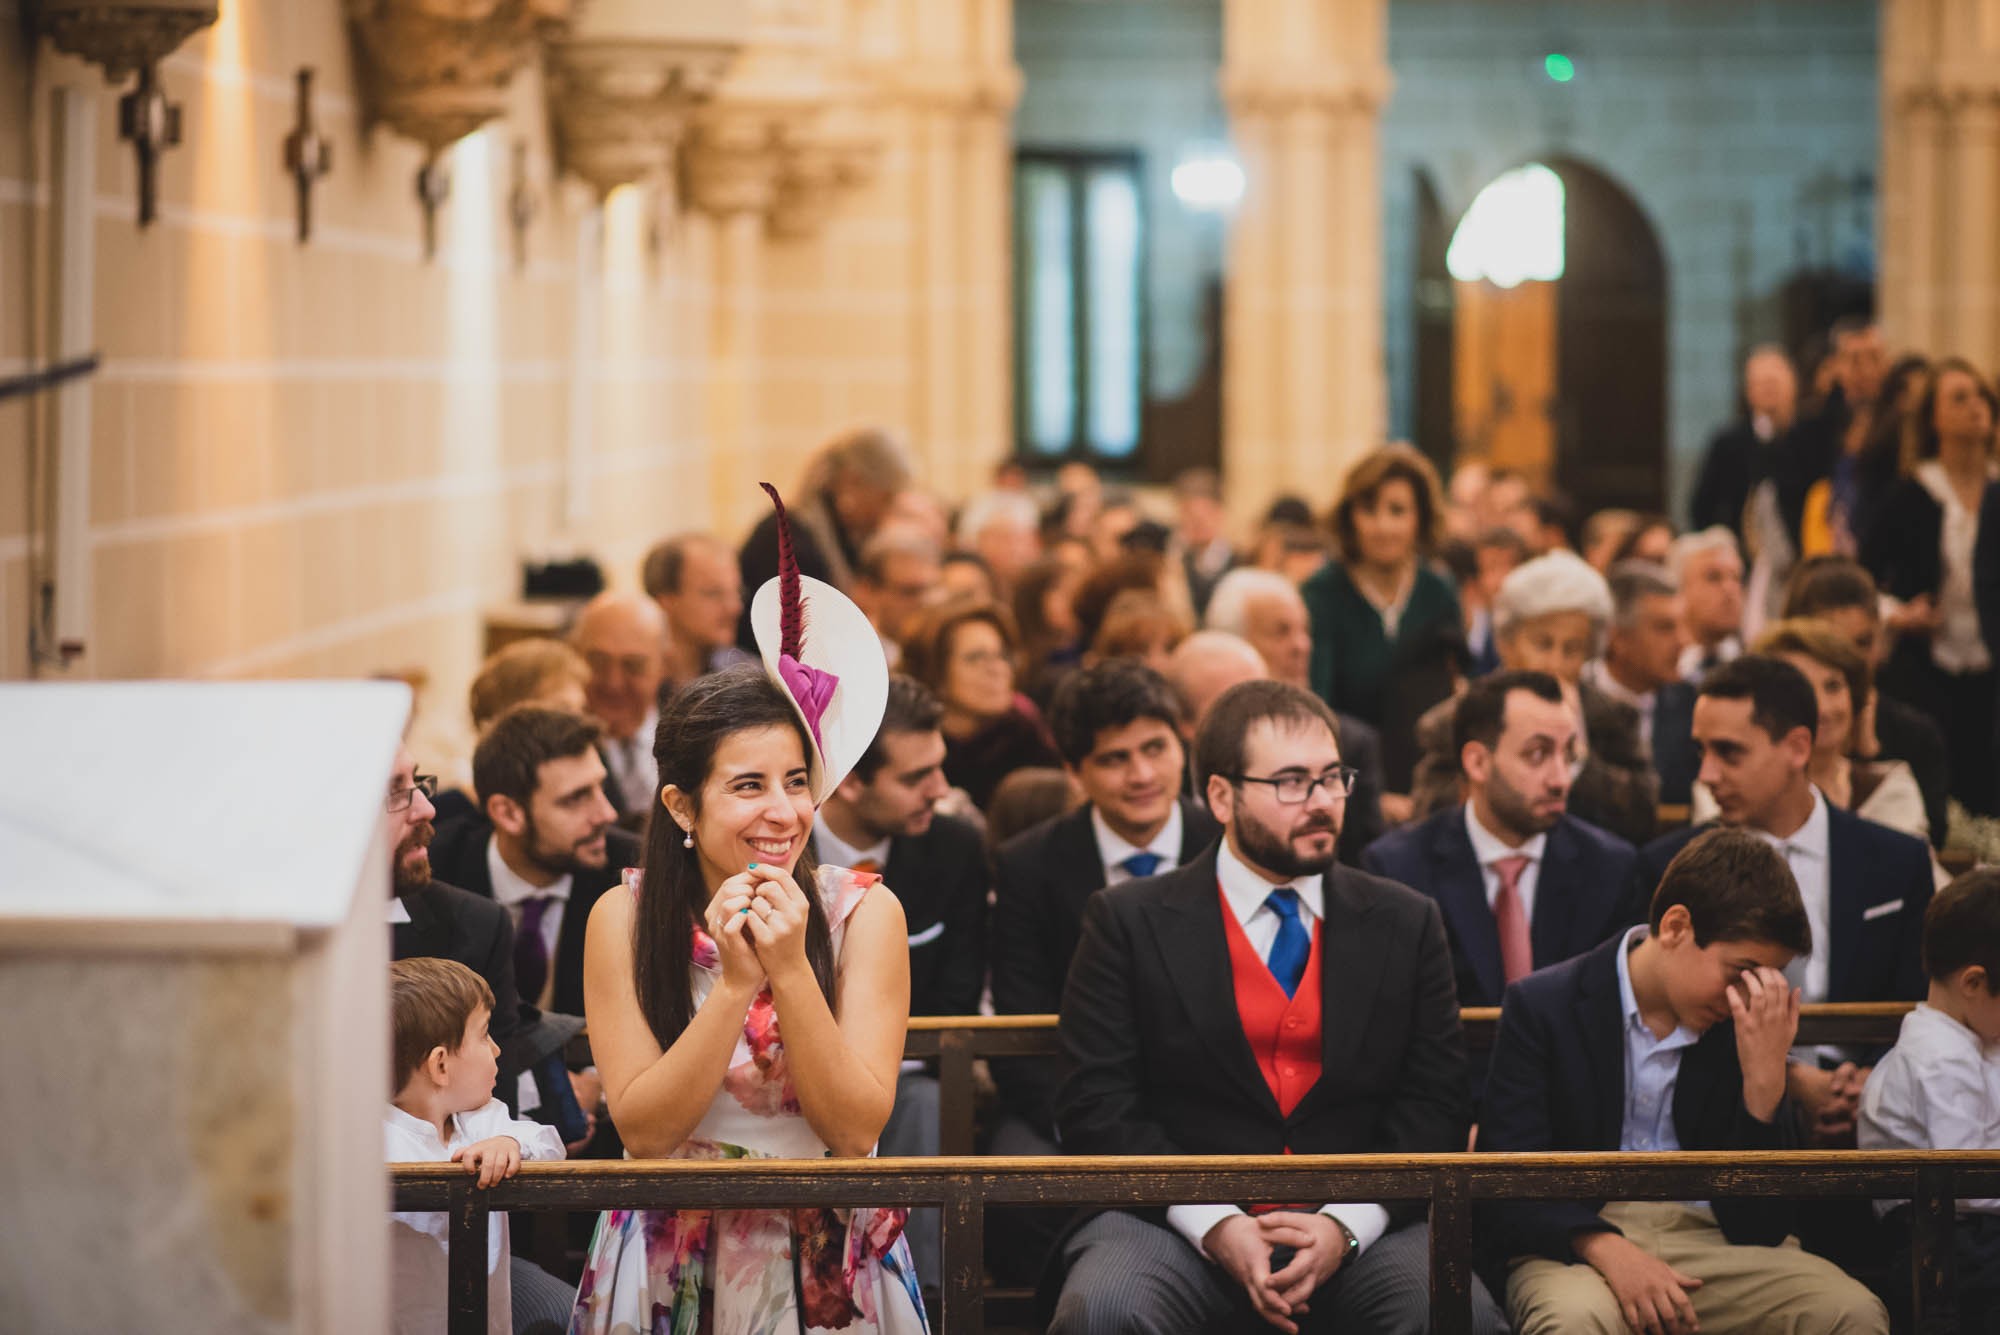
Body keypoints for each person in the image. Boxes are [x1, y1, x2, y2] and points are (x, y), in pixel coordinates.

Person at [1045, 679, 1506, 1335]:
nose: (1321, 803)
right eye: (1291, 782)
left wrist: (1346, 1226)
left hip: (1360, 1219)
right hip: (1172, 1219)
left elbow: (1437, 1103)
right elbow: (1096, 1104)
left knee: (1456, 1313)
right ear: (1222, 796)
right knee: (1104, 1308)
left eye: (1332, 778)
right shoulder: (1128, 919)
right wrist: (1217, 1221)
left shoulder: (1405, 920)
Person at [569, 489, 925, 1332]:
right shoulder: (621, 918)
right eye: (748, 786)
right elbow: (646, 1132)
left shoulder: (866, 914)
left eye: (796, 781)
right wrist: (731, 986)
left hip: (824, 1250)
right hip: (671, 1243)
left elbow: (853, 1126)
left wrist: (793, 968)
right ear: (683, 808)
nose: (783, 811)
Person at [1481, 830, 1889, 1335]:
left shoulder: (1747, 1026)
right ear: (1676, 926)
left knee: (1849, 1311)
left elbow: (1760, 1228)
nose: (1751, 994)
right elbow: (1508, 1184)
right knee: (1574, 1320)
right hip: (1577, 1238)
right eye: (1741, 971)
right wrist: (1606, 1248)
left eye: (1769, 977)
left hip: (1716, 1238)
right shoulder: (1544, 1005)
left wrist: (1765, 1084)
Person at [1637, 656, 1936, 1148]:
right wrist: (1788, 1078)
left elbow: (1922, 1000)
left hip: (1878, 1115)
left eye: (1729, 753)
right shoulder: (1666, 865)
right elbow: (1666, 1010)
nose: (1707, 774)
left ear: (1798, 746)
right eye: (1701, 751)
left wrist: (1870, 1084)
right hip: (1723, 1118)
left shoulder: (1896, 862)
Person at [991, 660, 1223, 1152]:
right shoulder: (1029, 866)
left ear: (1183, 746)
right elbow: (1019, 1035)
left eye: (1155, 749)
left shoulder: (1231, 846)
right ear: (1075, 772)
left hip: (1221, 1106)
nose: (1142, 775)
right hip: (1077, 1103)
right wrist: (1086, 1128)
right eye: (1115, 759)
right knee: (1012, 1172)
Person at [813, 674, 986, 1296]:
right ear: (852, 780)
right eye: (916, 778)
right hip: (778, 1068)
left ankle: (929, 1297)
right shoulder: (783, 843)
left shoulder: (956, 847)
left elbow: (957, 999)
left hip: (906, 1071)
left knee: (924, 1105)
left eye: (939, 767)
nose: (941, 791)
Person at [1362, 671, 1639, 1014]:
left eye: (1568, 755)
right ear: (1477, 762)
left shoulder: (1610, 868)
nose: (1561, 779)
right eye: (1537, 754)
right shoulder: (1399, 868)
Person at [1411, 550, 1659, 846]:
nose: (1555, 663)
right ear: (1507, 644)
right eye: (1543, 644)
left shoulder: (1614, 717)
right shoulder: (1451, 720)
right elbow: (1430, 818)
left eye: (1572, 649)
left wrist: (1577, 758)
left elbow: (1642, 819)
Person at [386, 957, 568, 1335]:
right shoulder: (373, 1137)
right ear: (440, 1066)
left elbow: (550, 1144)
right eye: (485, 1034)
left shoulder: (482, 1119)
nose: (498, 1050)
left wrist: (510, 1141)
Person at [1858, 868, 2000, 1327]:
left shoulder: (1966, 1035)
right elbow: (1969, 1179)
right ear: (1974, 984)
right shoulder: (1941, 1058)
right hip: (1944, 1243)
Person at [427, 708, 635, 1020]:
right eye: (576, 798)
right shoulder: (436, 875)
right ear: (508, 813)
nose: (606, 814)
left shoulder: (633, 873)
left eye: (599, 788)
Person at [1861, 357, 2000, 815]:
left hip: (1993, 668)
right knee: (1937, 787)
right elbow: (1861, 577)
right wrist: (1900, 614)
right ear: (1933, 418)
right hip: (1927, 669)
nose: (1975, 406)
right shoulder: (1911, 493)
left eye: (1980, 395)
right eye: (1959, 398)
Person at [1690, 619, 1936, 853]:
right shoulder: (1721, 786)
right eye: (1804, 687)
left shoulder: (1889, 786)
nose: (1823, 708)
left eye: (1833, 686)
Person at [1301, 443, 1465, 791]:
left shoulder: (1439, 589)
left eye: (1397, 510)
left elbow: (1455, 693)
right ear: (1349, 517)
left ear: (1420, 517)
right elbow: (1320, 710)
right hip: (1346, 780)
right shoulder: (1322, 593)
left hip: (1429, 781)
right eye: (1369, 510)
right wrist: (1368, 792)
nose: (1383, 525)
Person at [1203, 567, 1388, 849]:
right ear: (1233, 642)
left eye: (1305, 631)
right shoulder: (1196, 734)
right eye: (1281, 632)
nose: (1302, 645)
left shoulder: (1348, 742)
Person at [1782, 555, 1952, 845]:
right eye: (1832, 644)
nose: (1852, 661)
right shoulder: (1769, 729)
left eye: (1863, 642)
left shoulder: (1916, 735)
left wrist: (1869, 756)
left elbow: (1931, 841)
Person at [734, 425, 913, 647]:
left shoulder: (839, 536)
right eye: (886, 499)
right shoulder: (788, 542)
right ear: (853, 482)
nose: (888, 513)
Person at [900, 596, 1061, 810]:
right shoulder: (908, 746)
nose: (997, 669)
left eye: (1003, 655)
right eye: (976, 658)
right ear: (934, 670)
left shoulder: (1025, 735)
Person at [1585, 560, 1700, 805]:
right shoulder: (1575, 706)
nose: (1683, 641)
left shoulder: (1695, 708)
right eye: (1665, 628)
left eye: (1683, 625)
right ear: (1618, 639)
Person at [570, 591, 670, 821]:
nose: (613, 682)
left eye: (632, 666)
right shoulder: (556, 743)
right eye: (598, 662)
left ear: (663, 664)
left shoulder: (694, 731)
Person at [1691, 345, 1799, 539]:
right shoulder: (1728, 442)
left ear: (1792, 386)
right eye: (1762, 384)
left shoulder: (1806, 439)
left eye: (1774, 383)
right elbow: (1702, 506)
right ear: (1749, 390)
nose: (1769, 391)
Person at [641, 533, 750, 688]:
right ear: (665, 600)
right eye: (713, 593)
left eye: (737, 592)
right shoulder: (634, 685)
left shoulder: (748, 680)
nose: (735, 607)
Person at [1670, 527, 1746, 681]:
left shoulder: (1756, 670)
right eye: (1713, 577)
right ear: (1679, 589)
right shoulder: (1658, 674)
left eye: (1736, 578)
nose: (1729, 589)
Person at [1174, 468, 1240, 618]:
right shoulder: (1174, 560)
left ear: (1220, 513)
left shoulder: (1239, 561)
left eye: (1206, 512)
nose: (1198, 521)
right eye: (1189, 513)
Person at [957, 490, 1043, 597]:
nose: (1015, 549)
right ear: (979, 542)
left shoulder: (1043, 590)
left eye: (1022, 539)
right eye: (1004, 538)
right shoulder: (970, 587)